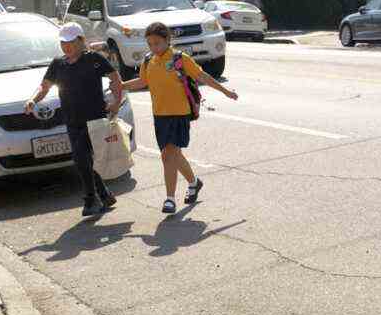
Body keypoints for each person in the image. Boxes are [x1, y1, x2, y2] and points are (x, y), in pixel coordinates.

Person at [121, 22, 239, 214]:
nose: (153, 47)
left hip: (178, 114)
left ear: (167, 40)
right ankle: (194, 182)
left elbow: (202, 76)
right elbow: (142, 81)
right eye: (150, 44)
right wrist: (122, 85)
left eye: (157, 43)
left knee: (168, 155)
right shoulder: (148, 60)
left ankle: (169, 199)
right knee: (173, 155)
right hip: (159, 115)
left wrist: (225, 91)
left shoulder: (179, 58)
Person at [24, 23, 123, 217]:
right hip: (72, 119)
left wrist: (116, 103)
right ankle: (101, 195)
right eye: (63, 43)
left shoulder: (94, 59)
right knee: (83, 159)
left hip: (96, 118)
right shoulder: (58, 64)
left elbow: (115, 79)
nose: (66, 46)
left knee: (86, 159)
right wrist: (32, 100)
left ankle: (92, 198)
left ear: (81, 41)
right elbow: (44, 87)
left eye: (70, 42)